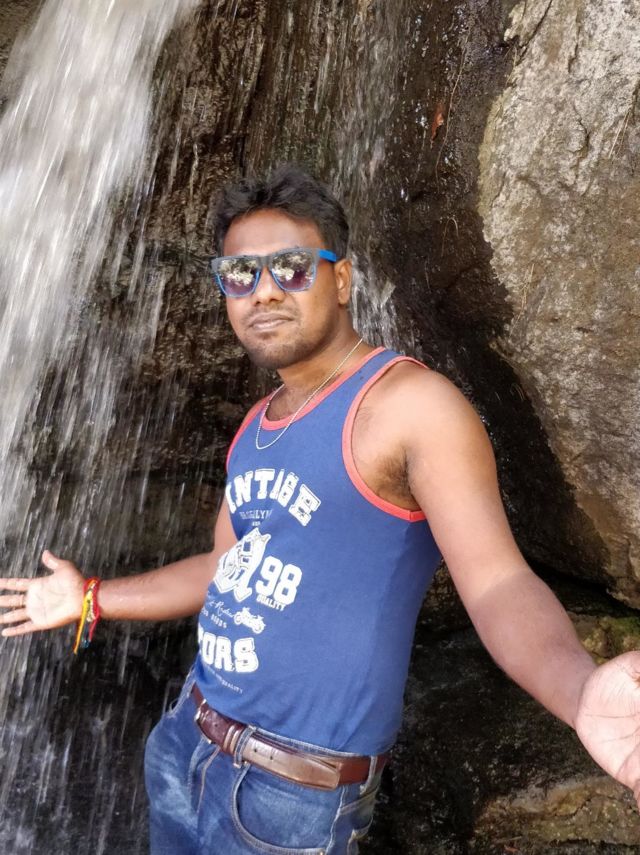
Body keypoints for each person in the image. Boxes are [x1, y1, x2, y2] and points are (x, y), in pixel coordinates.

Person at [1, 163, 639, 854]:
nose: (264, 289)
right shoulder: (256, 426)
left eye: (292, 267)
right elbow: (222, 566)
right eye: (239, 273)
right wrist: (89, 597)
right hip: (187, 740)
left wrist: (579, 692)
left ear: (341, 279)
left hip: (289, 796)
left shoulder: (410, 407)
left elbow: (498, 582)